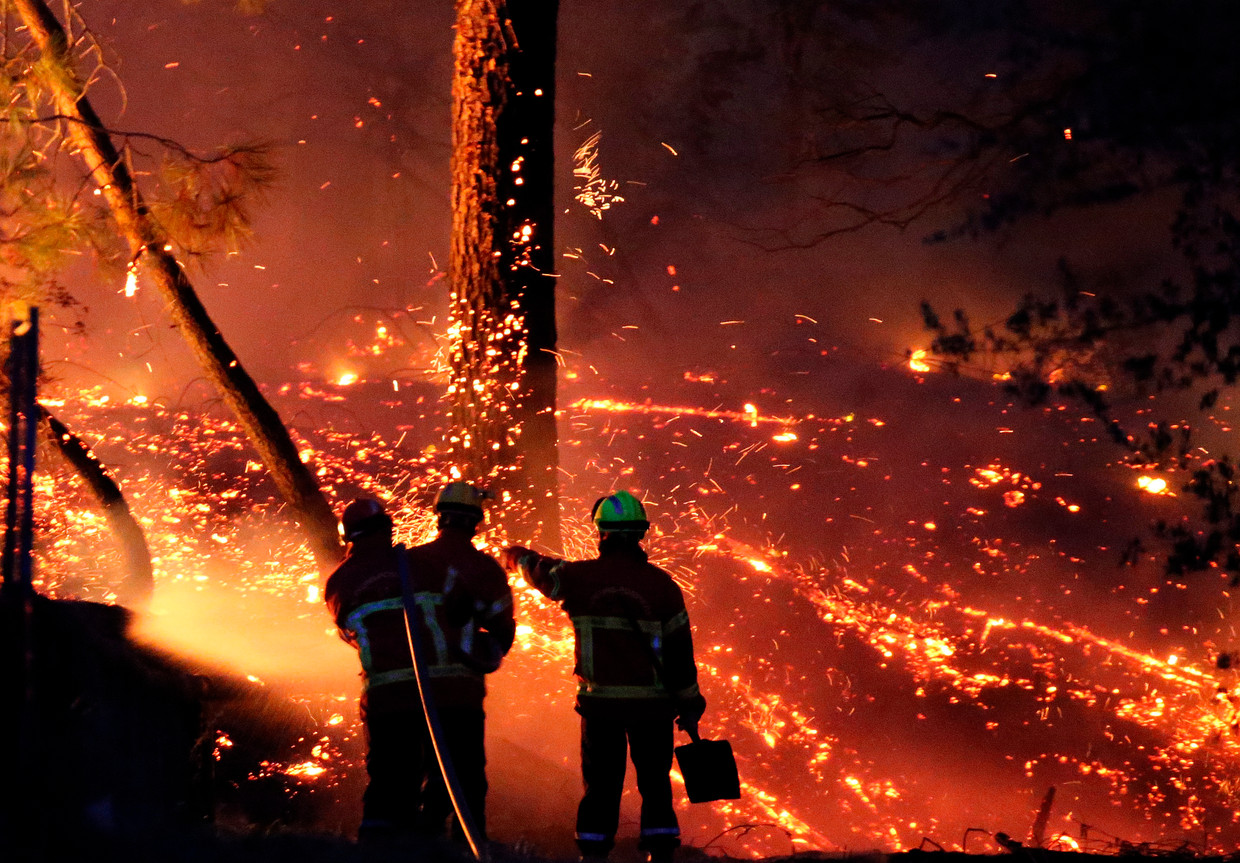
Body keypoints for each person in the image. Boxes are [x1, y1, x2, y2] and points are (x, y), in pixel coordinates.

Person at [504, 490, 706, 863]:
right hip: (653, 709)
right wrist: (690, 704)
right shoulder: (663, 586)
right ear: (641, 533)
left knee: (600, 786)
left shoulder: (580, 578)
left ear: (601, 533)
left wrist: (515, 557)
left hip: (601, 708)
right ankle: (661, 853)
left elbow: (541, 572)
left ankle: (594, 855)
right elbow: (680, 654)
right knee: (656, 785)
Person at [324, 485, 515, 843]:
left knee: (389, 784)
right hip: (446, 694)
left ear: (348, 537)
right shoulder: (421, 566)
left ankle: (381, 849)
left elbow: (350, 634)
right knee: (461, 779)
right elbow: (469, 612)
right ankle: (458, 846)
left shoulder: (338, 583)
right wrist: (481, 652)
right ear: (387, 528)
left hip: (385, 701)